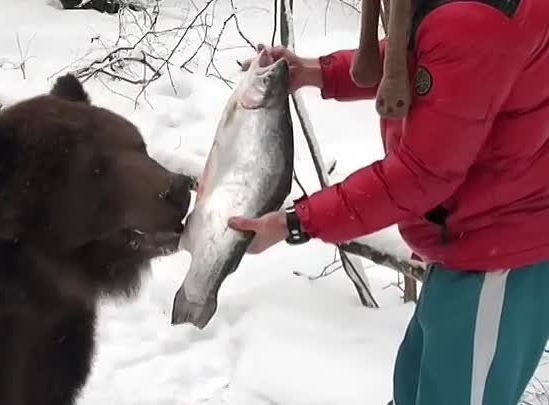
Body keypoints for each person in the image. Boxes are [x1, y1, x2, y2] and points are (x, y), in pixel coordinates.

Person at [228, 0, 549, 404]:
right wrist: (316, 72)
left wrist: (293, 223)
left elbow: (420, 175)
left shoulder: (477, 21)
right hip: (468, 249)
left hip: (497, 261)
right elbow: (419, 59)